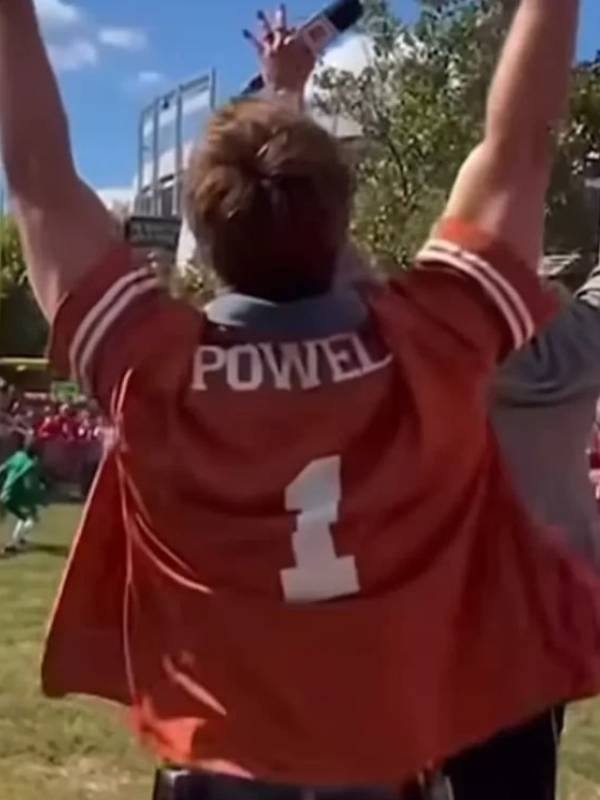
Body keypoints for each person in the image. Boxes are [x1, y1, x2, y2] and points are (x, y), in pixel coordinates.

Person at [0, 1, 595, 799]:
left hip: (218, 780)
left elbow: (35, 172)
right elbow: (520, 146)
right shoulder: (430, 348)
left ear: (207, 233)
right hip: (382, 777)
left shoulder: (151, 365)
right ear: (343, 218)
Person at [0, 435, 44, 553]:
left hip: (5, 492)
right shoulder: (30, 464)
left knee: (19, 517)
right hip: (18, 496)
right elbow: (30, 485)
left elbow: (3, 469)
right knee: (32, 518)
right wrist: (38, 495)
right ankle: (15, 542)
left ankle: (18, 540)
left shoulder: (18, 456)